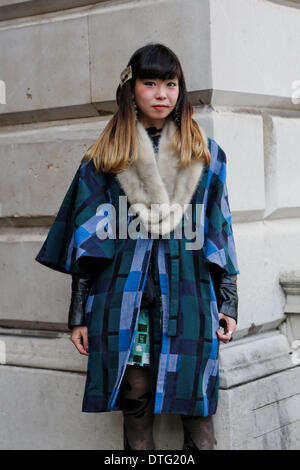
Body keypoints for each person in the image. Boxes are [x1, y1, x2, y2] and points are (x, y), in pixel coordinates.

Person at [35, 43, 239, 451]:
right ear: (131, 90)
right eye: (150, 83)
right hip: (126, 299)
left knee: (198, 411)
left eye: (170, 83)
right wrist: (78, 313)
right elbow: (86, 243)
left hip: (190, 297)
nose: (162, 94)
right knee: (136, 402)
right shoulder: (106, 159)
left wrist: (229, 301)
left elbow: (220, 232)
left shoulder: (207, 157)